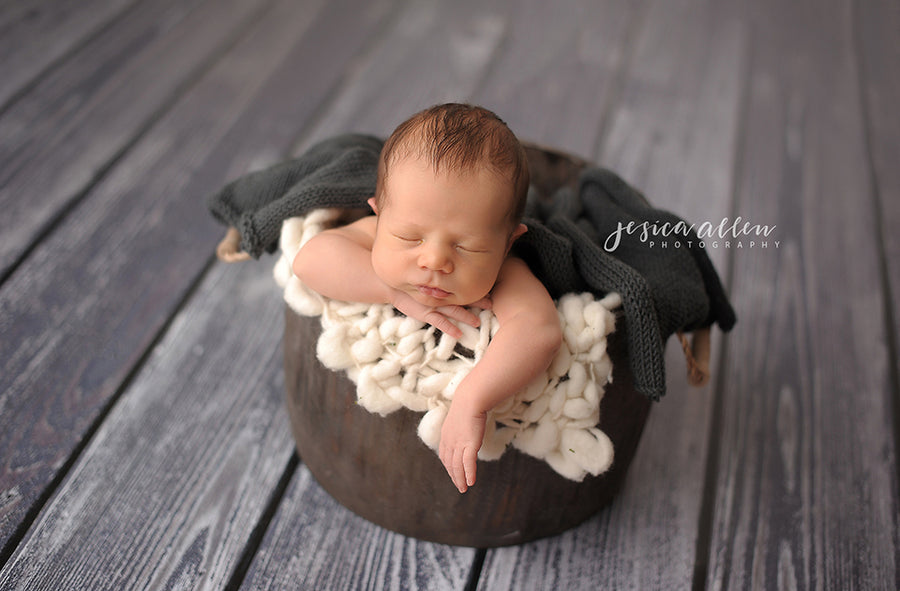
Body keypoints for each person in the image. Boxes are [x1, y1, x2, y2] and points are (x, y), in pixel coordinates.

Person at [292, 103, 561, 493]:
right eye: (410, 238)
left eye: (468, 247)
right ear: (379, 214)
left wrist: (473, 398)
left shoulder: (506, 272)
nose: (434, 260)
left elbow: (539, 330)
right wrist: (392, 291)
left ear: (507, 244)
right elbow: (309, 260)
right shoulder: (376, 231)